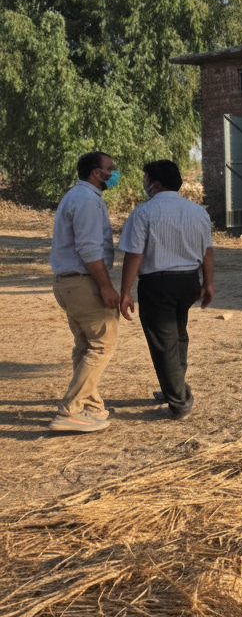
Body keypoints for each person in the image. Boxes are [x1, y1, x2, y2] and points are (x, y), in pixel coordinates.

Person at [118, 160, 214, 420]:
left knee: (164, 342)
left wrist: (125, 292)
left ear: (156, 183)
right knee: (177, 334)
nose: (144, 183)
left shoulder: (144, 213)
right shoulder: (198, 212)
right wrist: (208, 284)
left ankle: (179, 400)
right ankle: (174, 386)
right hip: (188, 282)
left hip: (158, 283)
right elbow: (207, 251)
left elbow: (134, 254)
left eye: (146, 178)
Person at [48, 151, 122, 432]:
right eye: (110, 169)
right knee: (103, 344)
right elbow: (90, 249)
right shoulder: (88, 202)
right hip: (82, 282)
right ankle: (70, 410)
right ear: (96, 172)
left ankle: (91, 407)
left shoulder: (73, 197)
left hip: (67, 283)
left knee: (85, 346)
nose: (114, 174)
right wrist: (106, 286)